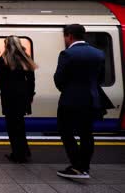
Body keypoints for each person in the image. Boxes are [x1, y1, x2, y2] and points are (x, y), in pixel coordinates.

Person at [54, 24, 105, 179]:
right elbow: (100, 79)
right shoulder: (98, 54)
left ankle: (77, 166)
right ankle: (84, 166)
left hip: (70, 101)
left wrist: (69, 90)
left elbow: (59, 79)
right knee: (87, 134)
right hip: (92, 100)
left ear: (69, 36)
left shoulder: (67, 54)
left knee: (66, 132)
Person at [0, 36, 36, 163]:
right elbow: (31, 80)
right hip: (22, 96)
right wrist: (30, 95)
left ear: (7, 45)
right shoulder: (26, 59)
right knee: (20, 125)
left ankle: (17, 154)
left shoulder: (3, 59)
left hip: (8, 95)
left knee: (12, 126)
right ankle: (25, 152)